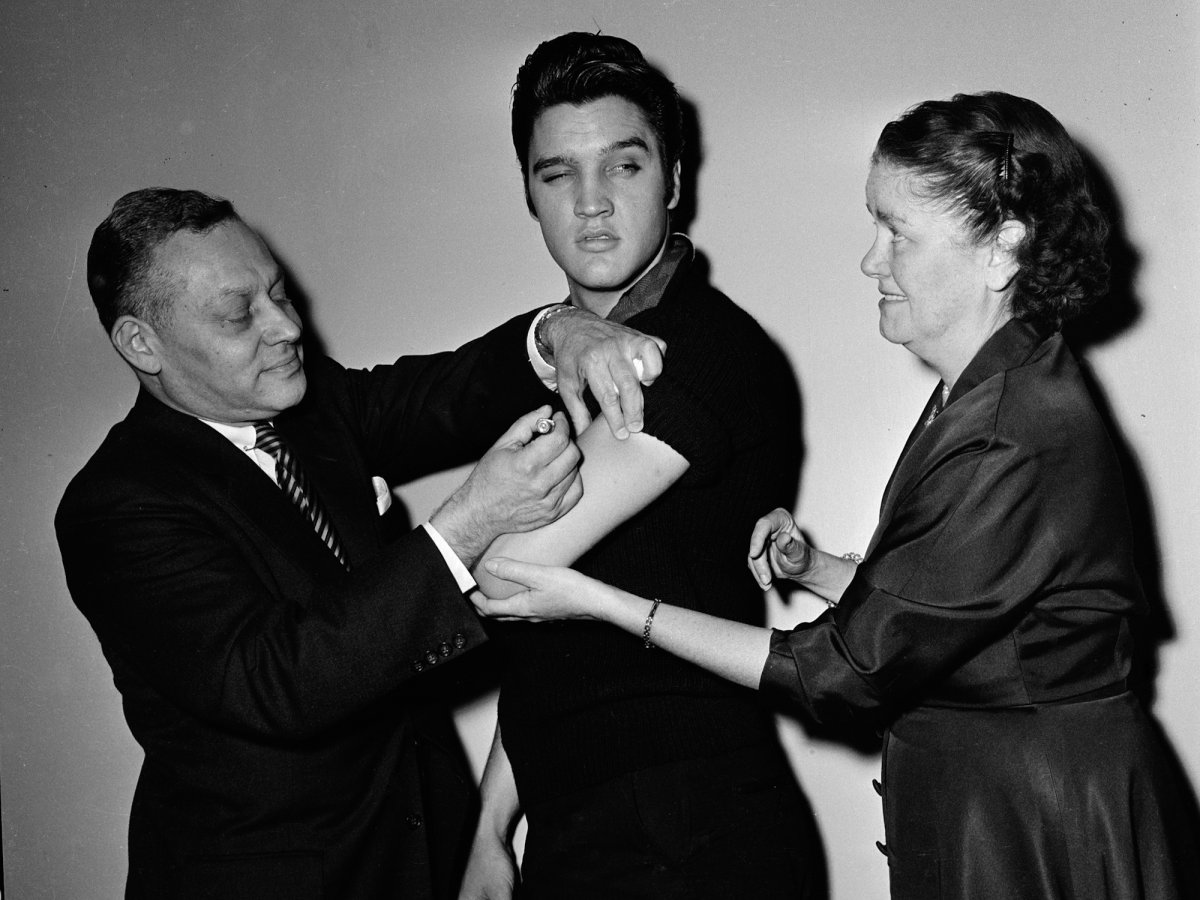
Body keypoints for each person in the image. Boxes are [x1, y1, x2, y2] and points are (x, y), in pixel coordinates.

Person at [476, 92, 1200, 899]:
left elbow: (840, 671)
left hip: (1041, 819)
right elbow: (957, 611)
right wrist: (819, 568)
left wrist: (604, 602)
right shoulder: (993, 386)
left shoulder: (1010, 423)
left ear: (1002, 250)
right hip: (1012, 803)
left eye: (898, 232)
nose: (872, 260)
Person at [55, 187, 665, 899]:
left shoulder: (317, 410)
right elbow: (280, 678)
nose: (285, 325)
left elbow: (444, 393)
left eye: (278, 292)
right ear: (140, 343)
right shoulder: (117, 505)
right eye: (237, 313)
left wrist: (560, 331)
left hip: (422, 861)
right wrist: (467, 525)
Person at [459, 33, 824, 900]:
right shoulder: (567, 370)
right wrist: (486, 832)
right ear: (528, 192)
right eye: (557, 175)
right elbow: (551, 645)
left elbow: (506, 576)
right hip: (579, 823)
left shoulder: (706, 352)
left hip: (693, 832)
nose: (591, 206)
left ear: (673, 178)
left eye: (622, 168)